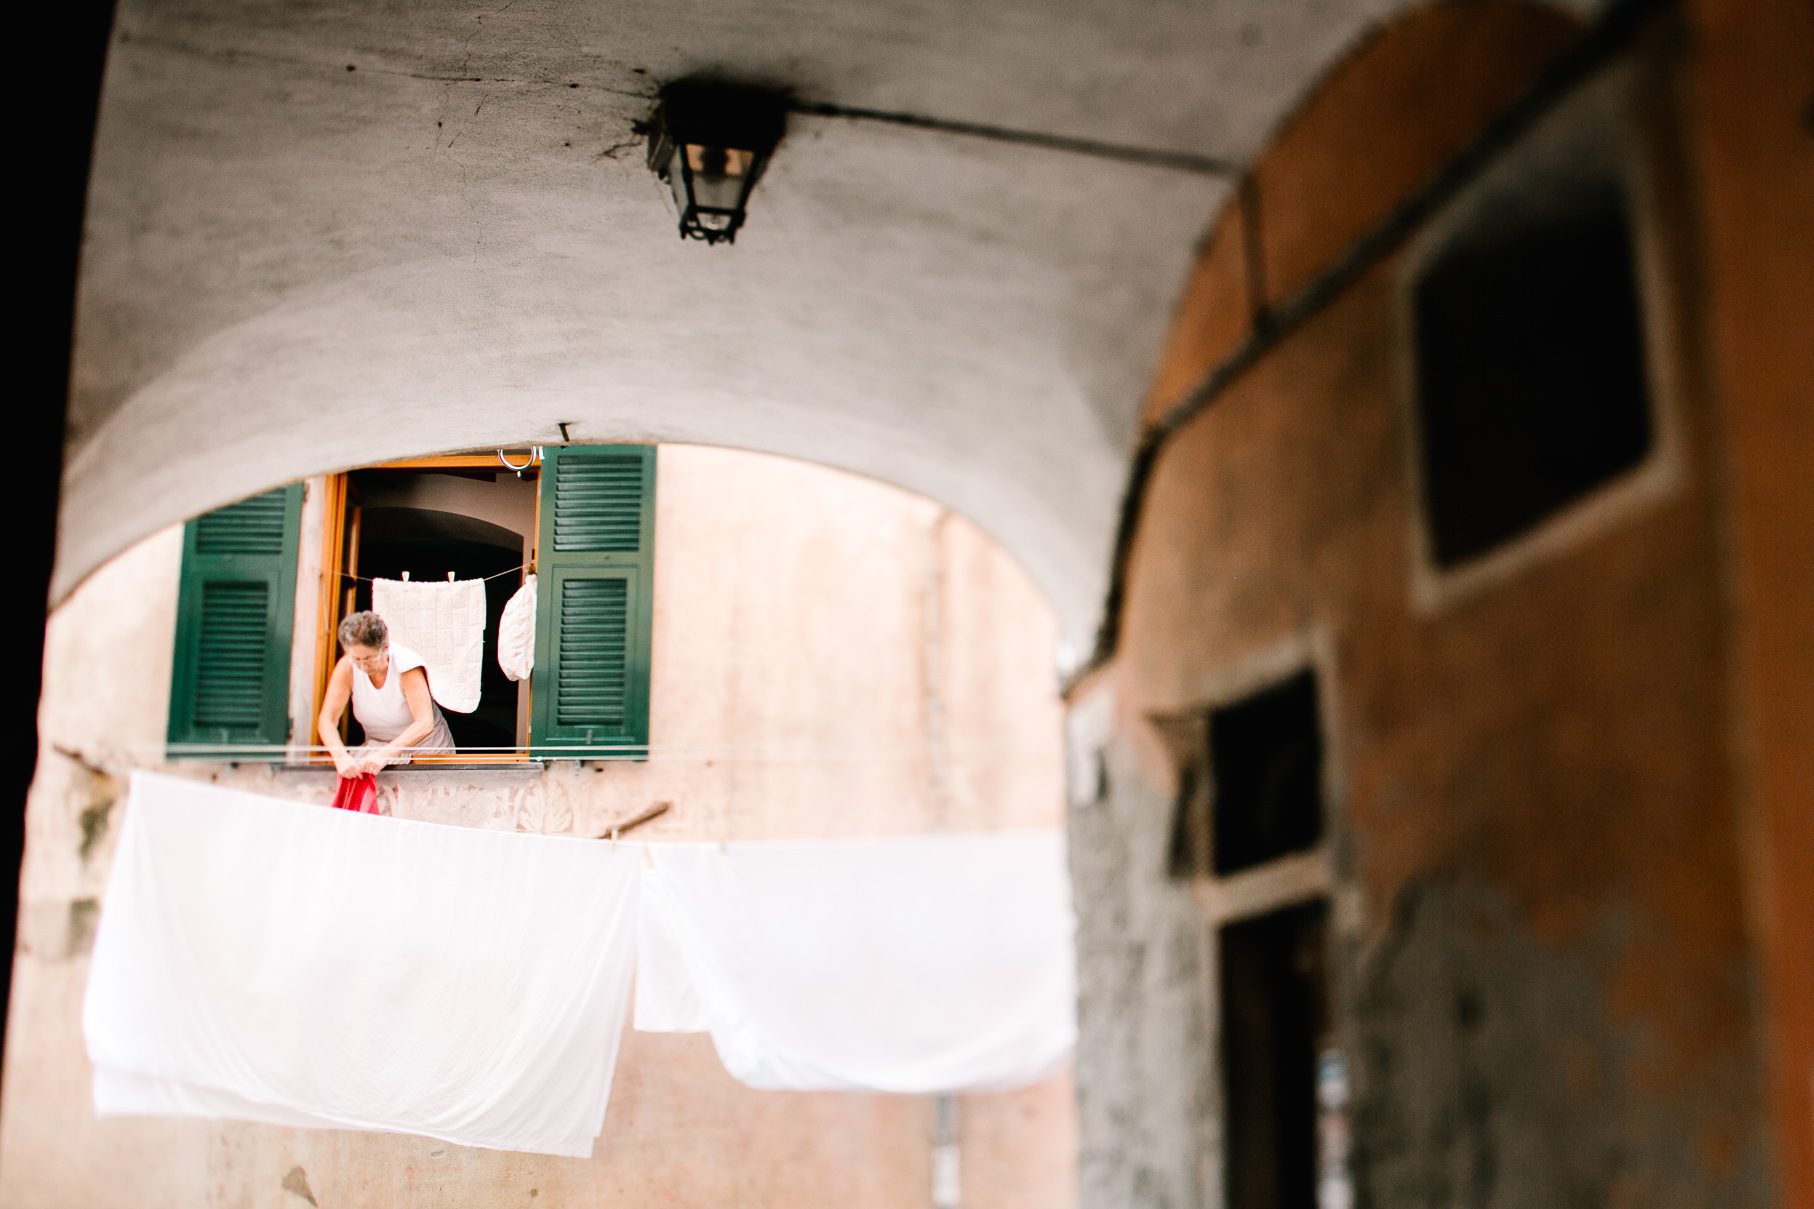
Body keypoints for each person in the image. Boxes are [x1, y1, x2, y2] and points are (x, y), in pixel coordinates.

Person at [318, 611, 455, 775]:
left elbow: (425, 723)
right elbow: (327, 720)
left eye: (369, 658)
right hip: (379, 754)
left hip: (426, 754)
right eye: (356, 659)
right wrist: (340, 757)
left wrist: (387, 753)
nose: (362, 666)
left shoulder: (406, 666)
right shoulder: (347, 667)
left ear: (385, 648)